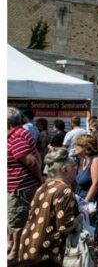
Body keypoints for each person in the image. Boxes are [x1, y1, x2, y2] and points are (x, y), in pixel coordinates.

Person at [17, 148, 79, 263]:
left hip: (28, 243)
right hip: (47, 251)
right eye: (74, 165)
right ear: (65, 169)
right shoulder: (65, 191)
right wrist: (81, 218)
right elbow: (64, 226)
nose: (76, 168)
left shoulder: (44, 186)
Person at [8, 107, 43, 262]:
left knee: (17, 221)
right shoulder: (18, 134)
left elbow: (32, 161)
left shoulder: (16, 137)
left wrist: (39, 179)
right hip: (18, 186)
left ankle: (17, 252)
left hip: (19, 188)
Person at [74, 135, 98, 249]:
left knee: (90, 239)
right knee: (82, 238)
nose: (75, 147)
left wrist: (85, 204)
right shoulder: (82, 160)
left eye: (77, 145)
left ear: (85, 146)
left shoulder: (96, 160)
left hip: (92, 203)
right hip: (81, 201)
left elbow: (96, 184)